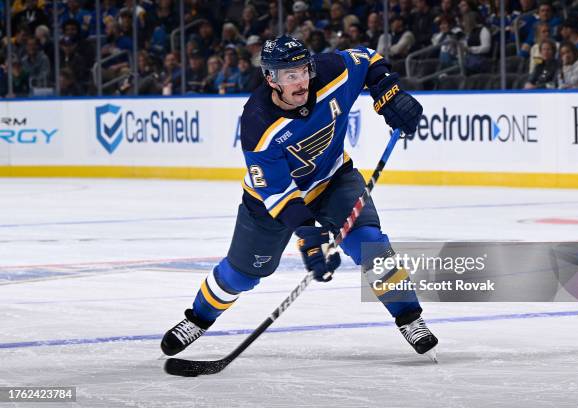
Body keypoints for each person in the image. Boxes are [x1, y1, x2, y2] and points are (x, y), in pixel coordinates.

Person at [161, 35, 438, 361]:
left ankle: (409, 317)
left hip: (334, 179)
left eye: (304, 70)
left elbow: (367, 58)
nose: (302, 80)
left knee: (370, 244)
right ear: (270, 79)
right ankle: (198, 318)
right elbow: (277, 192)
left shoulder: (331, 71)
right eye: (290, 75)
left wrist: (387, 92)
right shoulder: (258, 122)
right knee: (242, 273)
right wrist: (307, 232)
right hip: (270, 205)